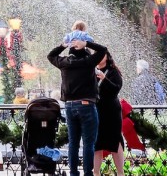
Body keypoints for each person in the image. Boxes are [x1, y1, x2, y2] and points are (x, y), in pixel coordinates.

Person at [48, 37, 109, 176]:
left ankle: (73, 173)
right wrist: (86, 43)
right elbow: (103, 50)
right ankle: (88, 173)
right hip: (86, 105)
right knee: (88, 143)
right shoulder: (88, 62)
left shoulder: (64, 62)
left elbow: (51, 55)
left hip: (69, 106)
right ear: (86, 52)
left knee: (73, 143)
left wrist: (63, 45)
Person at [94, 53, 124, 174]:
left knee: (114, 139)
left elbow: (116, 88)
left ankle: (120, 172)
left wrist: (104, 79)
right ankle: (96, 172)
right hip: (97, 109)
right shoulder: (92, 71)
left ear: (107, 57)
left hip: (111, 111)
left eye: (101, 54)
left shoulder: (113, 71)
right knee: (97, 142)